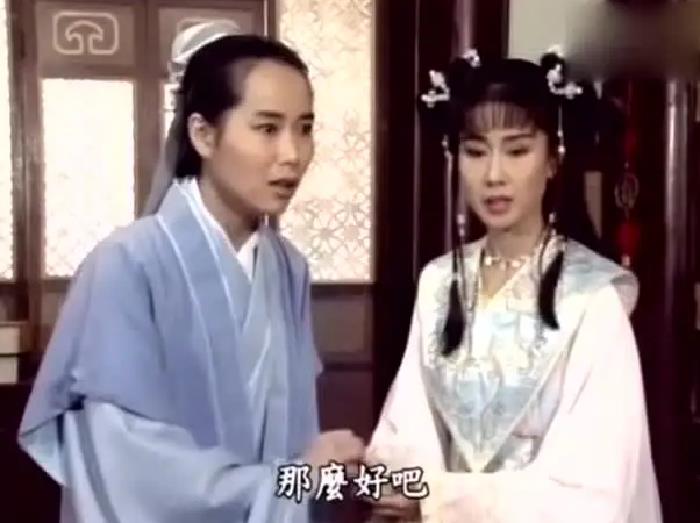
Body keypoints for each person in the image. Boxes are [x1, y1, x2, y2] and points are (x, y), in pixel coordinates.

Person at [18, 21, 364, 522]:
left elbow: (295, 437)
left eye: (305, 128)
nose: (292, 154)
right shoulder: (126, 264)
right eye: (268, 128)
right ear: (202, 134)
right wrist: (286, 480)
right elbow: (124, 463)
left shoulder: (288, 267)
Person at [366, 48, 662, 522]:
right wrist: (407, 487)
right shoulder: (439, 282)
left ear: (552, 159)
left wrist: (439, 498)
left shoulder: (591, 297)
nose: (494, 175)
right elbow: (407, 428)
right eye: (475, 151)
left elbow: (595, 482)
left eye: (518, 150)